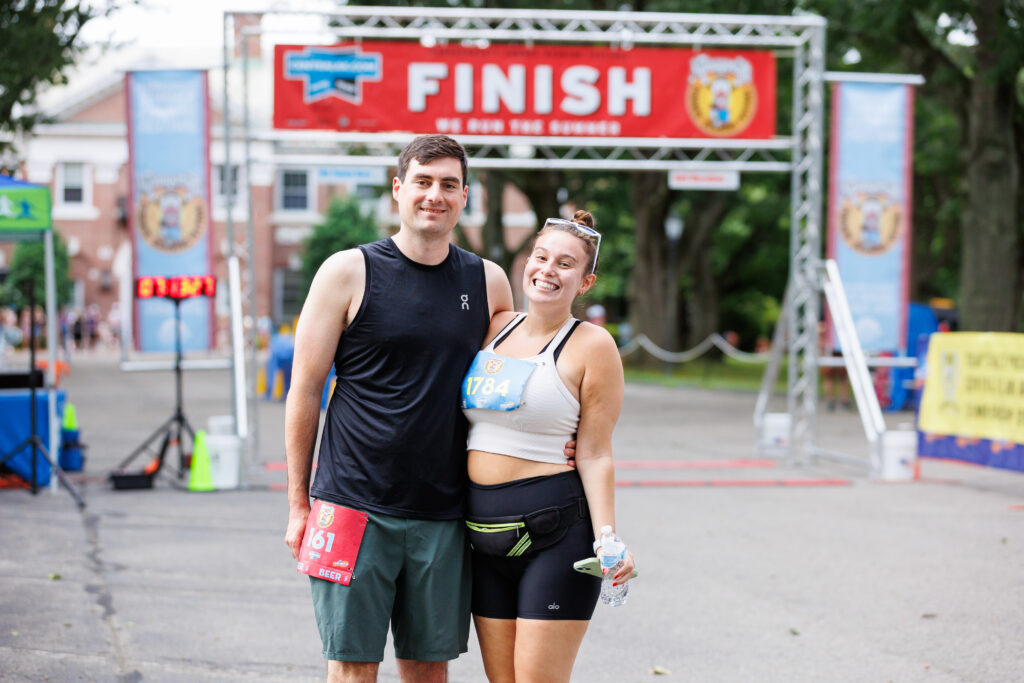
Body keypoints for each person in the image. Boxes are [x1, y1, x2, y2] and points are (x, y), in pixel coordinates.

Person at [283, 134, 516, 683]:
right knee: (351, 668)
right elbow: (305, 390)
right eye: (423, 181)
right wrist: (298, 504)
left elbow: (512, 391)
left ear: (465, 198)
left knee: (428, 670)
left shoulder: (488, 282)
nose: (435, 194)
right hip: (350, 504)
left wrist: (560, 442)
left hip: (446, 511)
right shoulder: (347, 272)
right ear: (398, 189)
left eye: (449, 185)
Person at [462, 210, 636, 683]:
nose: (547, 270)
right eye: (541, 257)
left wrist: (607, 537)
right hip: (481, 535)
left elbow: (596, 451)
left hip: (555, 536)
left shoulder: (592, 345)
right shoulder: (491, 327)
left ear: (585, 281)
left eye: (565, 264)